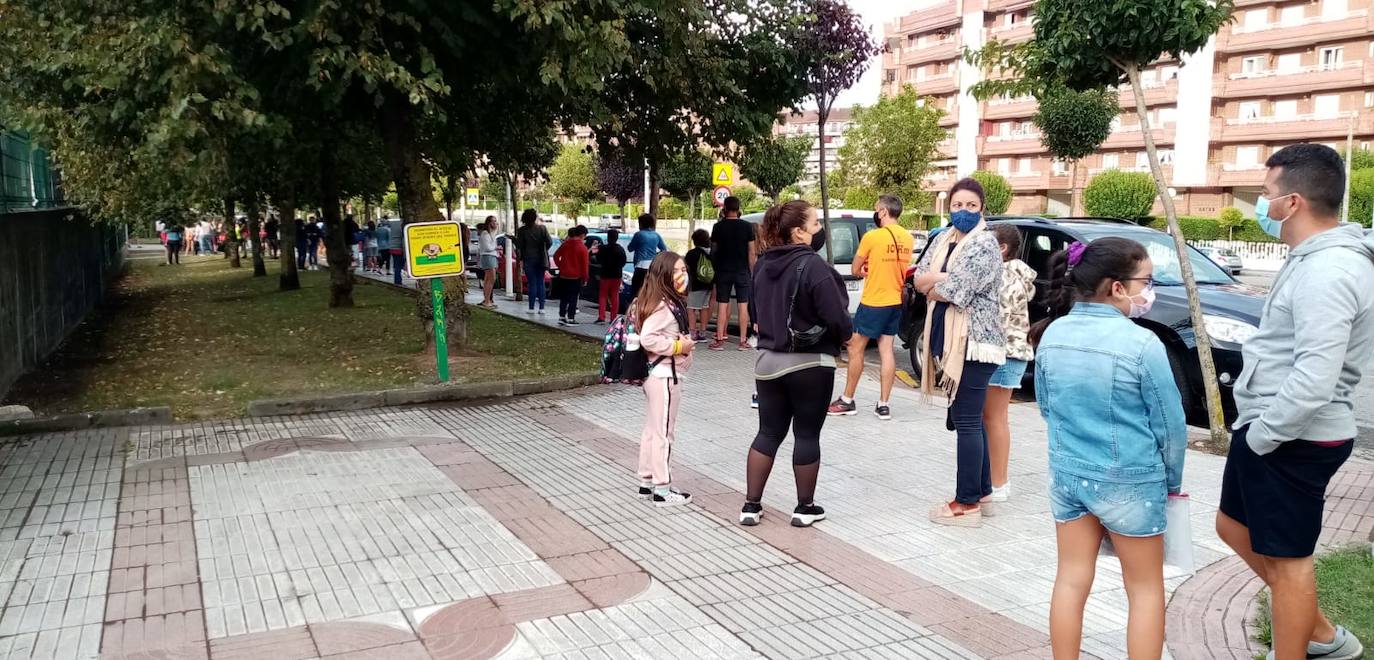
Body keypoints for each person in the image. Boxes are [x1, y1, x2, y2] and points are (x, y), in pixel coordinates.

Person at [1216, 144, 1371, 660]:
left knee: (1289, 563)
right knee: (1232, 527)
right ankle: (1321, 633)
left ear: (1294, 202)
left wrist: (1264, 434)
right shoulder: (1312, 260)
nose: (1261, 206)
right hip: (1271, 428)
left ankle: (1305, 647)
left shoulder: (1330, 271)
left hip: (1293, 434)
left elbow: (1315, 377)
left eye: (1265, 196)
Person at [1031, 237, 1186, 660]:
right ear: (1117, 287)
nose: (1149, 290)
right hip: (1131, 481)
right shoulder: (1142, 344)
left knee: (1071, 578)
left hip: (1068, 475)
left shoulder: (1052, 335)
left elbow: (1047, 406)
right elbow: (1170, 426)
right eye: (1146, 280)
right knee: (1145, 589)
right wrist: (1171, 482)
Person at [740, 200, 853, 528]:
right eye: (816, 224)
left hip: (767, 363)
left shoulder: (762, 264)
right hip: (810, 363)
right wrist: (847, 336)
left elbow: (756, 313)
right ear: (799, 231)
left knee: (767, 432)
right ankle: (805, 508)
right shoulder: (814, 267)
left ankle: (751, 505)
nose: (820, 230)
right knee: (806, 435)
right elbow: (837, 317)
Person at [912, 178, 1006, 526]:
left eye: (970, 205)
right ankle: (982, 493)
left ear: (982, 208)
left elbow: (957, 291)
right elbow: (918, 277)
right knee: (972, 420)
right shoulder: (942, 239)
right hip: (952, 339)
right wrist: (940, 278)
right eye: (956, 205)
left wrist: (935, 282)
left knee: (966, 421)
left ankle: (966, 505)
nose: (963, 211)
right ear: (948, 207)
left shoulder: (984, 244)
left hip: (975, 343)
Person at [828, 194, 913, 420]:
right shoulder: (908, 238)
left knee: (856, 348)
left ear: (883, 212)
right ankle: (883, 405)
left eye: (877, 209)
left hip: (874, 301)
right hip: (895, 301)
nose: (877, 213)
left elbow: (856, 268)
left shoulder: (872, 237)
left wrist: (865, 270)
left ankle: (847, 400)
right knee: (887, 350)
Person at [633, 252, 695, 507]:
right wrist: (679, 345)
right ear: (665, 275)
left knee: (652, 429)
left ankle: (647, 482)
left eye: (684, 270)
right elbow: (649, 338)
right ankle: (663, 488)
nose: (683, 276)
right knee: (664, 433)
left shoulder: (651, 300)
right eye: (678, 271)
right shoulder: (663, 306)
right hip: (664, 375)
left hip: (654, 375)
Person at [982, 224, 1036, 503]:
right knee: (995, 418)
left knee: (993, 418)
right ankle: (996, 480)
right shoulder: (1017, 274)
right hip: (1011, 353)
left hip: (1003, 353)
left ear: (1001, 248)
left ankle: (998, 482)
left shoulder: (1004, 276)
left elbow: (995, 317)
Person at [709, 197, 756, 351]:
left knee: (722, 304)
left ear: (725, 209)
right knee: (743, 305)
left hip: (723, 270)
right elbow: (751, 252)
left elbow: (714, 250)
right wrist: (752, 271)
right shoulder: (747, 227)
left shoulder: (718, 227)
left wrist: (716, 266)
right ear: (738, 208)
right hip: (742, 271)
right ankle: (743, 341)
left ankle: (720, 339)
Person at [514, 209, 552, 314]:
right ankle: (542, 307)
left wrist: (514, 240)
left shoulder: (522, 231)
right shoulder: (542, 229)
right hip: (541, 259)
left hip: (528, 259)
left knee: (532, 283)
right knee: (541, 282)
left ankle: (531, 307)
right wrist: (544, 251)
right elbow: (550, 242)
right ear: (535, 217)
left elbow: (519, 246)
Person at [553, 225, 589, 325]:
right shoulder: (583, 248)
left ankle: (561, 316)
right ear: (582, 235)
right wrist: (585, 278)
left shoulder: (565, 244)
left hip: (564, 275)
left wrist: (561, 266)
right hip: (575, 276)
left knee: (564, 296)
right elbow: (585, 265)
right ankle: (571, 317)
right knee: (573, 297)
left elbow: (556, 256)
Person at [683, 229, 715, 341]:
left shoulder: (692, 254)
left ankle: (692, 333)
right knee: (704, 307)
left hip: (695, 286)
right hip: (708, 284)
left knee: (691, 308)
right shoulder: (711, 253)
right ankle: (703, 333)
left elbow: (686, 270)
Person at [626, 213, 668, 298]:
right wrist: (656, 255)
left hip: (640, 265)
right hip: (652, 266)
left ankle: (636, 309)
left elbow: (630, 248)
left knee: (636, 292)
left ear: (641, 223)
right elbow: (664, 249)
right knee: (650, 291)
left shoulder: (639, 234)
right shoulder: (656, 235)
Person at [596, 229, 628, 324]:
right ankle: (613, 317)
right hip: (617, 275)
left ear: (608, 237)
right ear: (617, 238)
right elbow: (623, 261)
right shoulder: (620, 249)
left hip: (605, 274)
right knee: (615, 295)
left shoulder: (603, 248)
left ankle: (601, 317)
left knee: (602, 296)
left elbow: (598, 259)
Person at [476, 216, 499, 307]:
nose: (495, 223)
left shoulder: (491, 233)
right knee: (491, 278)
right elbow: (488, 247)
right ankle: (487, 300)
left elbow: (492, 242)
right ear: (489, 223)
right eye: (493, 221)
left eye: (495, 221)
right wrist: (496, 247)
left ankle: (487, 299)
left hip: (491, 256)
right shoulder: (485, 234)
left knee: (488, 279)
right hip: (488, 257)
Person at [386, 214, 405, 284]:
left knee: (396, 264)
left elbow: (386, 222)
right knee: (399, 265)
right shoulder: (403, 225)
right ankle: (398, 281)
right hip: (400, 247)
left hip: (393, 247)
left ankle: (397, 280)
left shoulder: (393, 224)